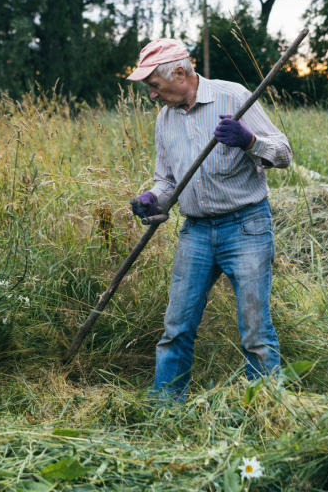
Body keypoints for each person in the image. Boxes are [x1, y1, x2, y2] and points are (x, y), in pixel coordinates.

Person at [127, 38, 292, 401]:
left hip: (246, 226)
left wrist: (249, 141)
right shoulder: (165, 120)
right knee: (176, 326)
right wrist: (153, 198)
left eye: (153, 85)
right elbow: (168, 179)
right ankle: (165, 409)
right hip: (196, 232)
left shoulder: (233, 98)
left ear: (181, 73)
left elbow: (283, 154)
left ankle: (265, 407)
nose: (152, 95)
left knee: (254, 328)